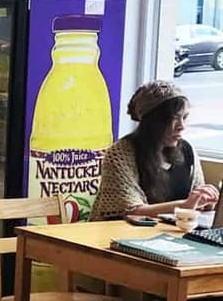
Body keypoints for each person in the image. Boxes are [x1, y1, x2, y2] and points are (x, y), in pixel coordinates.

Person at [92, 81, 219, 221]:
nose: (181, 126)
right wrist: (185, 206)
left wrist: (206, 202)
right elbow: (132, 211)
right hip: (125, 235)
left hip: (171, 236)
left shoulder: (188, 151)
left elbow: (194, 204)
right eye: (173, 118)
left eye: (184, 117)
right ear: (153, 121)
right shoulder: (120, 154)